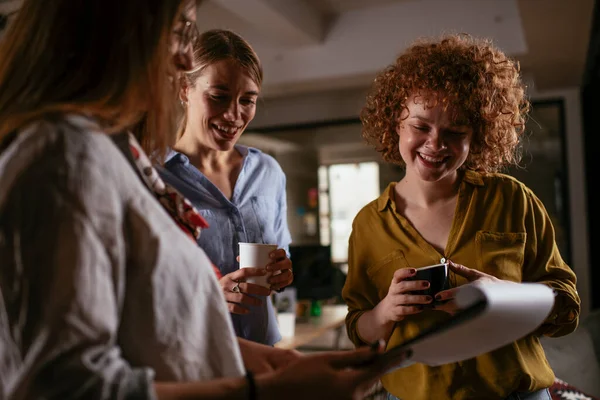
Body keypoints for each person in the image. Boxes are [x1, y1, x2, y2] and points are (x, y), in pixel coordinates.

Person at [0, 0, 409, 399]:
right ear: (115, 30)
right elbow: (63, 384)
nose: (182, 60)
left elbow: (165, 329)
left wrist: (285, 366)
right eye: (179, 33)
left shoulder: (116, 153)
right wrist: (266, 388)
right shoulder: (62, 158)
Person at [342, 34, 581, 400]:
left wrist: (506, 297)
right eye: (421, 126)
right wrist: (386, 311)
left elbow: (566, 309)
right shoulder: (367, 224)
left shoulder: (513, 199)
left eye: (455, 132)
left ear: (478, 137)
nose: (435, 144)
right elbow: (360, 329)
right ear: (396, 124)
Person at [156, 29, 292, 346]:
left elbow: (282, 255)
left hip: (263, 352)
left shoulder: (268, 172)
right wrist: (208, 293)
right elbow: (136, 287)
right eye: (218, 96)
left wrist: (282, 272)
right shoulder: (154, 177)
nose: (234, 115)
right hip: (194, 359)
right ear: (183, 88)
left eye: (248, 100)